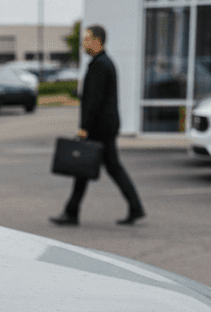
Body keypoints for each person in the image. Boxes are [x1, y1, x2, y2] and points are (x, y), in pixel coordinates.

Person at [50, 25, 145, 226]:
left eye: (86, 39)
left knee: (89, 168)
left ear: (97, 40)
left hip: (99, 127)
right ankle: (74, 211)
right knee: (96, 168)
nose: (83, 43)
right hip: (104, 126)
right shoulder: (102, 63)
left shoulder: (100, 65)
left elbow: (96, 100)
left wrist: (84, 127)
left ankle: (72, 213)